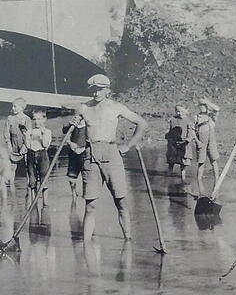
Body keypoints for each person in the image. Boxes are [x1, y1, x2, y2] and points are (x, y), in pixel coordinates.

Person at [74, 74, 147, 242]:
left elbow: (142, 123)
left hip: (112, 153)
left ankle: (128, 242)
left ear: (107, 90)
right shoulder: (83, 108)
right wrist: (73, 126)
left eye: (100, 89)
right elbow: (71, 132)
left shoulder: (116, 107)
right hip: (90, 155)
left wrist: (128, 145)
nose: (96, 93)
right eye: (93, 89)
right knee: (90, 205)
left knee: (121, 201)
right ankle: (86, 246)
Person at [3, 97, 31, 195]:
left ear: (22, 108)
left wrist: (25, 145)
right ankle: (11, 185)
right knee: (12, 166)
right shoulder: (10, 118)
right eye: (12, 106)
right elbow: (6, 132)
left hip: (24, 143)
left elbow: (29, 133)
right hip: (13, 142)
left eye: (15, 106)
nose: (13, 108)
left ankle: (29, 185)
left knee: (27, 165)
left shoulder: (27, 119)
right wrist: (9, 144)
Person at [24, 108, 52, 203]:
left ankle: (45, 203)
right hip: (31, 155)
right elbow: (28, 145)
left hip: (42, 155)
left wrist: (42, 133)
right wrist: (27, 136)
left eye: (39, 119)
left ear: (44, 119)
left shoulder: (47, 132)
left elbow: (45, 145)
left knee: (44, 180)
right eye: (34, 119)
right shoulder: (29, 132)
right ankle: (33, 202)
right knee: (32, 179)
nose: (36, 122)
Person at [194, 98, 221, 196]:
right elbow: (193, 130)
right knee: (201, 162)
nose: (202, 107)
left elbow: (217, 109)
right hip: (201, 142)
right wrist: (197, 141)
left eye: (204, 105)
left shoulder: (211, 116)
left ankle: (217, 179)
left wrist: (208, 102)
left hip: (211, 141)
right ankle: (199, 182)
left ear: (207, 106)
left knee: (214, 160)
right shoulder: (196, 117)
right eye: (200, 105)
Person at [165, 104, 193, 181]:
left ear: (186, 111)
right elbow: (169, 129)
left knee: (183, 162)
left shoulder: (188, 121)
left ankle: (183, 177)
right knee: (171, 160)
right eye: (177, 111)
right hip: (173, 144)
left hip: (184, 144)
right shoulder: (173, 119)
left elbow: (190, 133)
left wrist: (187, 140)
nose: (179, 113)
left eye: (181, 111)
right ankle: (169, 174)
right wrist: (167, 135)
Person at [64, 115, 87, 200]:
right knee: (72, 176)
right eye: (76, 116)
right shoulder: (71, 126)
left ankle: (85, 193)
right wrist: (70, 143)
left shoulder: (87, 126)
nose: (78, 118)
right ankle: (74, 194)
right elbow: (66, 137)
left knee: (86, 175)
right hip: (73, 152)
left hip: (84, 152)